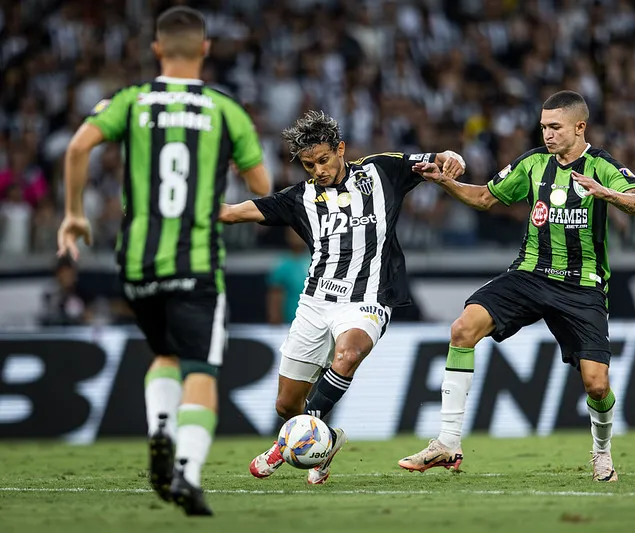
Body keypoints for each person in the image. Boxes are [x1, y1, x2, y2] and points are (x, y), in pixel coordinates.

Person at [56, 6, 271, 515]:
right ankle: (187, 473)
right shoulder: (225, 109)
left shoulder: (130, 101)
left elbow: (78, 148)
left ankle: (159, 428)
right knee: (200, 368)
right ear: (205, 49)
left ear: (157, 49)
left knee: (165, 355)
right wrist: (230, 163)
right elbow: (262, 187)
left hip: (137, 263)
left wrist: (74, 214)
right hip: (195, 262)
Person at [398, 90, 635, 482]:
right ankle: (448, 442)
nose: (548, 134)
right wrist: (444, 182)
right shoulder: (533, 163)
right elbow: (485, 198)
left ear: (580, 127)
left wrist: (608, 194)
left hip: (581, 285)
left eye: (556, 127)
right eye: (544, 127)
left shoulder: (602, 166)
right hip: (530, 274)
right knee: (463, 329)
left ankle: (602, 452)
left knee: (597, 385)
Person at [219, 110, 465, 485]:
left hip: (368, 298)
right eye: (309, 165)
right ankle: (326, 441)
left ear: (341, 149)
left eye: (323, 159)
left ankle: (284, 446)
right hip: (315, 303)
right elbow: (231, 213)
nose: (318, 170)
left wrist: (453, 158)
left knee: (348, 354)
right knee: (286, 404)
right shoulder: (298, 198)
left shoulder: (380, 171)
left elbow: (440, 157)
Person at [266, 227, 310, 324]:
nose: (297, 236)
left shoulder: (317, 260)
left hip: (314, 322)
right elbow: (275, 294)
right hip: (289, 323)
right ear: (287, 236)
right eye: (294, 232)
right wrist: (275, 319)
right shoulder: (282, 264)